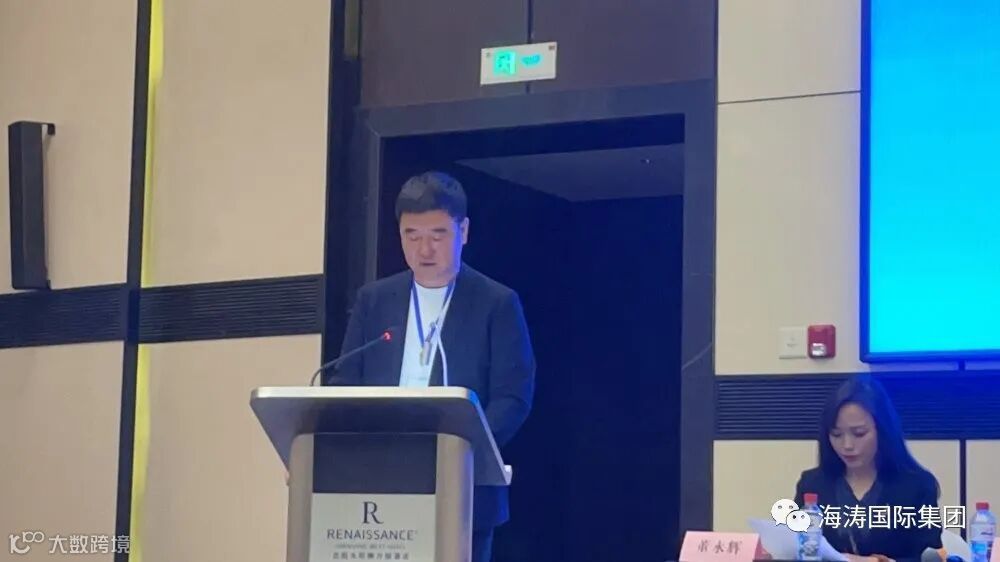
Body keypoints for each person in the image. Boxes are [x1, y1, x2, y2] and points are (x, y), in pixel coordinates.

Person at [330, 170, 536, 562]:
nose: (424, 249)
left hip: (462, 487)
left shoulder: (496, 303)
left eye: (438, 235)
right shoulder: (375, 300)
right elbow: (345, 382)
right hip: (379, 484)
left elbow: (513, 397)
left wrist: (462, 451)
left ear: (464, 231)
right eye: (412, 235)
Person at [793, 374, 943, 562]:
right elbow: (796, 545)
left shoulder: (917, 485)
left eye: (859, 433)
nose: (847, 445)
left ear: (883, 431)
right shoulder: (812, 484)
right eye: (836, 435)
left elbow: (932, 557)